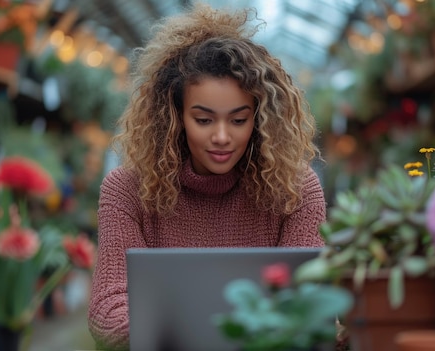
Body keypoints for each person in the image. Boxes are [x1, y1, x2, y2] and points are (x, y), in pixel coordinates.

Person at [87, 2, 327, 349]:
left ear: (259, 119)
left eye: (238, 119)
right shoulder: (126, 190)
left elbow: (310, 304)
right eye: (203, 119)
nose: (221, 136)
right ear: (175, 115)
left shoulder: (296, 189)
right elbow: (107, 311)